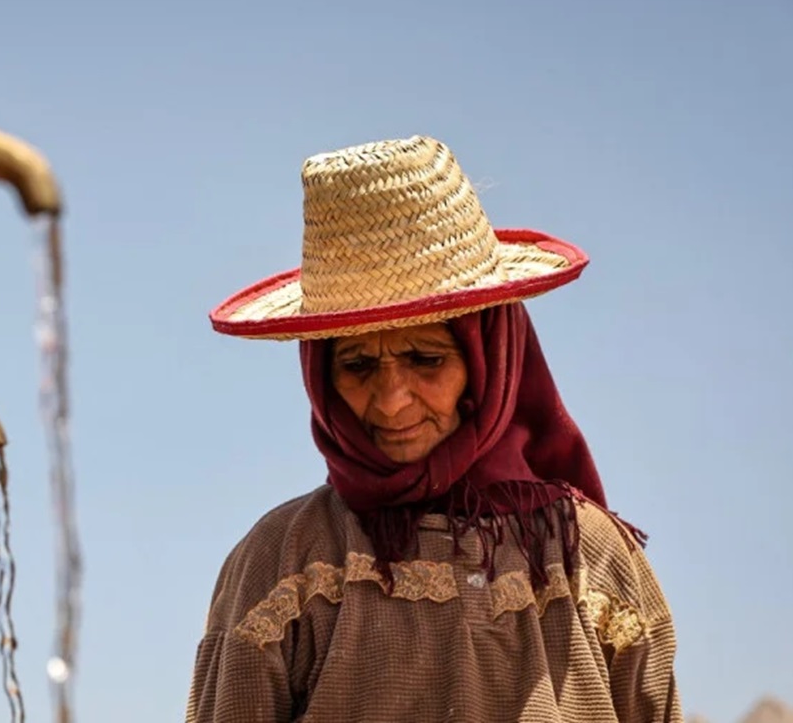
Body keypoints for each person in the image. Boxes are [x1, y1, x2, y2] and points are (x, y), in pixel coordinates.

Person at [187, 136, 682, 723]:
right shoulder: (287, 559)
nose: (392, 401)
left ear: (490, 358)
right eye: (358, 366)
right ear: (321, 375)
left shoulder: (590, 559)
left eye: (425, 359)